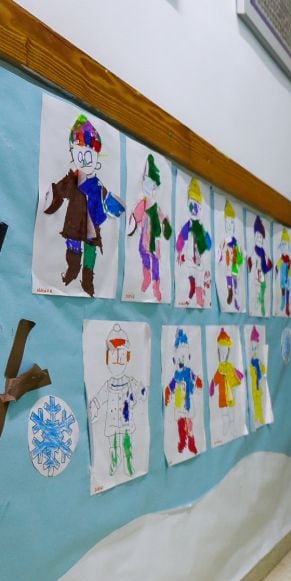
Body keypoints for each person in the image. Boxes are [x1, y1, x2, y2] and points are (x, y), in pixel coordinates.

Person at [43, 114, 124, 296]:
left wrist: (114, 207)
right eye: (81, 154)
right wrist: (51, 198)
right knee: (73, 251)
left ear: (97, 157)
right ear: (73, 154)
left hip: (91, 230)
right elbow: (59, 191)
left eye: (90, 155)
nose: (86, 159)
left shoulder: (97, 185)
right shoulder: (72, 179)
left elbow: (106, 203)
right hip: (73, 226)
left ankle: (87, 282)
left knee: (89, 256)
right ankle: (71, 273)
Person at [88, 324, 146, 476]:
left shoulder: (130, 381)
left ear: (127, 358)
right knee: (113, 442)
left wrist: (142, 391)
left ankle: (128, 462)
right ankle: (114, 461)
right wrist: (94, 405)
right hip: (112, 420)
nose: (118, 361)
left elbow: (141, 390)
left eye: (121, 356)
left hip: (125, 420)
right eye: (114, 356)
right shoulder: (108, 385)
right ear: (107, 359)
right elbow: (100, 397)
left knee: (127, 441)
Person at [128, 154, 171, 301]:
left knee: (155, 259)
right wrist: (133, 220)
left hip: (154, 239)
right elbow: (136, 216)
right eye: (145, 180)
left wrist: (165, 223)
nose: (147, 184)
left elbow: (161, 216)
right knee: (144, 253)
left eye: (151, 182)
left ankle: (156, 285)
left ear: (154, 185)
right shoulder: (143, 202)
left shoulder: (155, 206)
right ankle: (147, 277)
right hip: (143, 237)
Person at [164, 328, 203, 455]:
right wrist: (168, 392)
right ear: (175, 359)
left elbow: (196, 379)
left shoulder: (188, 372)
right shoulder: (176, 374)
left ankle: (191, 441)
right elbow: (171, 385)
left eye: (183, 357)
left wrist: (198, 382)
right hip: (179, 403)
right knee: (180, 423)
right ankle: (182, 441)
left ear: (187, 357)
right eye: (178, 358)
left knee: (189, 423)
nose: (180, 361)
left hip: (188, 402)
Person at [176, 178, 213, 306]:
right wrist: (179, 251)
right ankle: (192, 290)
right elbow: (181, 239)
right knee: (191, 276)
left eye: (195, 206)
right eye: (191, 205)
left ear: (200, 207)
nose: (193, 209)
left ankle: (199, 299)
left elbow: (208, 243)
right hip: (189, 259)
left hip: (199, 262)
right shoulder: (188, 225)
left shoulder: (200, 227)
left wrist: (206, 238)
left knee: (199, 280)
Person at [220, 200, 244, 310]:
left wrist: (240, 254)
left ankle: (236, 299)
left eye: (232, 223)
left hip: (234, 268)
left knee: (236, 284)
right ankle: (230, 291)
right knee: (229, 279)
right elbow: (221, 251)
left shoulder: (236, 243)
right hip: (227, 266)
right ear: (224, 224)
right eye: (227, 223)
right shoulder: (225, 241)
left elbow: (240, 260)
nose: (230, 226)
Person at [248, 216, 273, 315]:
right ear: (254, 237)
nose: (259, 239)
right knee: (257, 289)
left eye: (261, 237)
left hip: (262, 273)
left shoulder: (263, 251)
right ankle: (257, 304)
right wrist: (250, 263)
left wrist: (269, 264)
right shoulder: (255, 250)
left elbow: (268, 261)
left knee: (262, 288)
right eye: (257, 236)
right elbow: (251, 260)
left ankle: (261, 303)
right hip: (256, 273)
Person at [276, 228, 291, 316]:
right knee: (283, 291)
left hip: (288, 279)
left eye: (286, 245)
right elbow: (277, 266)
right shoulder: (281, 259)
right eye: (283, 244)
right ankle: (282, 302)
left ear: (288, 246)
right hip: (282, 279)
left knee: (288, 291)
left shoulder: (289, 260)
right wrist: (276, 270)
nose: (284, 247)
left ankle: (287, 306)